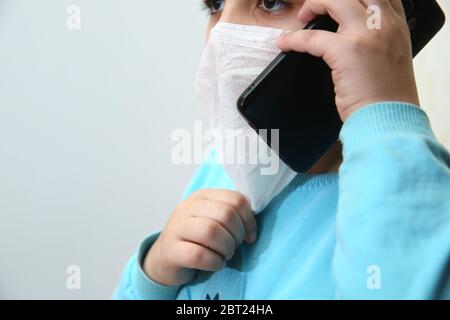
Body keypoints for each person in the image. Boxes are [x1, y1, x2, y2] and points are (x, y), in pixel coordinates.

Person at [114, 0, 450, 299]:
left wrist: (383, 108)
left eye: (272, 2)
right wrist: (153, 276)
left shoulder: (412, 197)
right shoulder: (224, 165)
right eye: (215, 5)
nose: (223, 33)